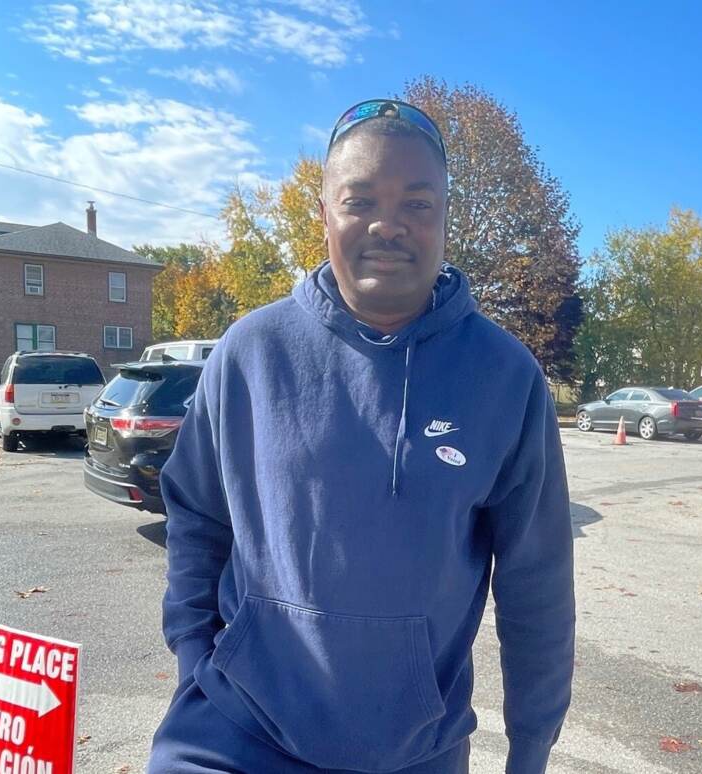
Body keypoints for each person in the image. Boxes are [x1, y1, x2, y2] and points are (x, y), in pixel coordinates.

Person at [148, 99, 575, 774]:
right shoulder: (250, 353)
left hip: (413, 753)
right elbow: (197, 514)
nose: (388, 224)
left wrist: (529, 750)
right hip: (235, 733)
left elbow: (537, 582)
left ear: (443, 219)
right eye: (360, 200)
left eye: (417, 203)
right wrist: (191, 658)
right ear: (324, 216)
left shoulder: (505, 377)